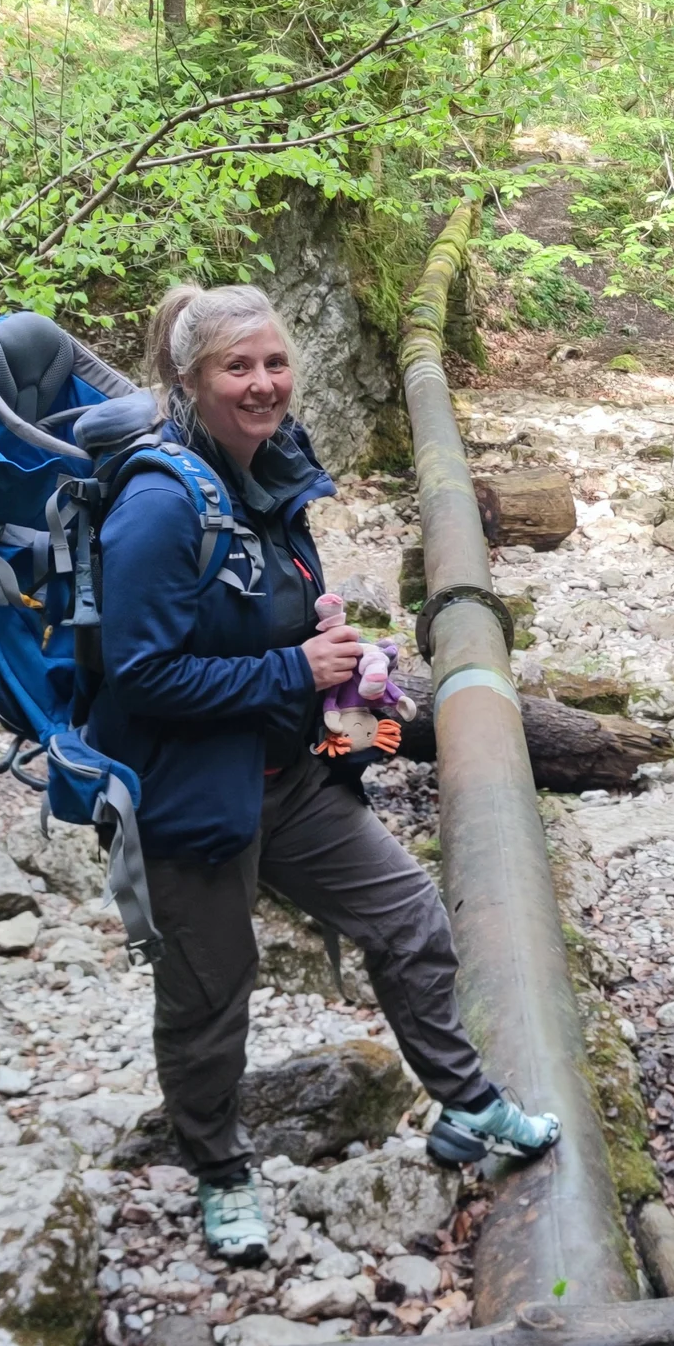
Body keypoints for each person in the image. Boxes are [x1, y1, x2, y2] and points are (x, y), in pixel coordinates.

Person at [89, 283, 560, 1264]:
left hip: (288, 772)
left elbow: (254, 610)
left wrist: (321, 632)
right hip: (189, 796)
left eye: (274, 363)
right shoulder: (155, 503)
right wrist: (294, 667)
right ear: (188, 380)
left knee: (409, 918)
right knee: (212, 995)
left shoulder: (266, 471)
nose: (263, 384)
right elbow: (138, 674)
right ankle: (219, 1173)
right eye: (237, 368)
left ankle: (468, 1104)